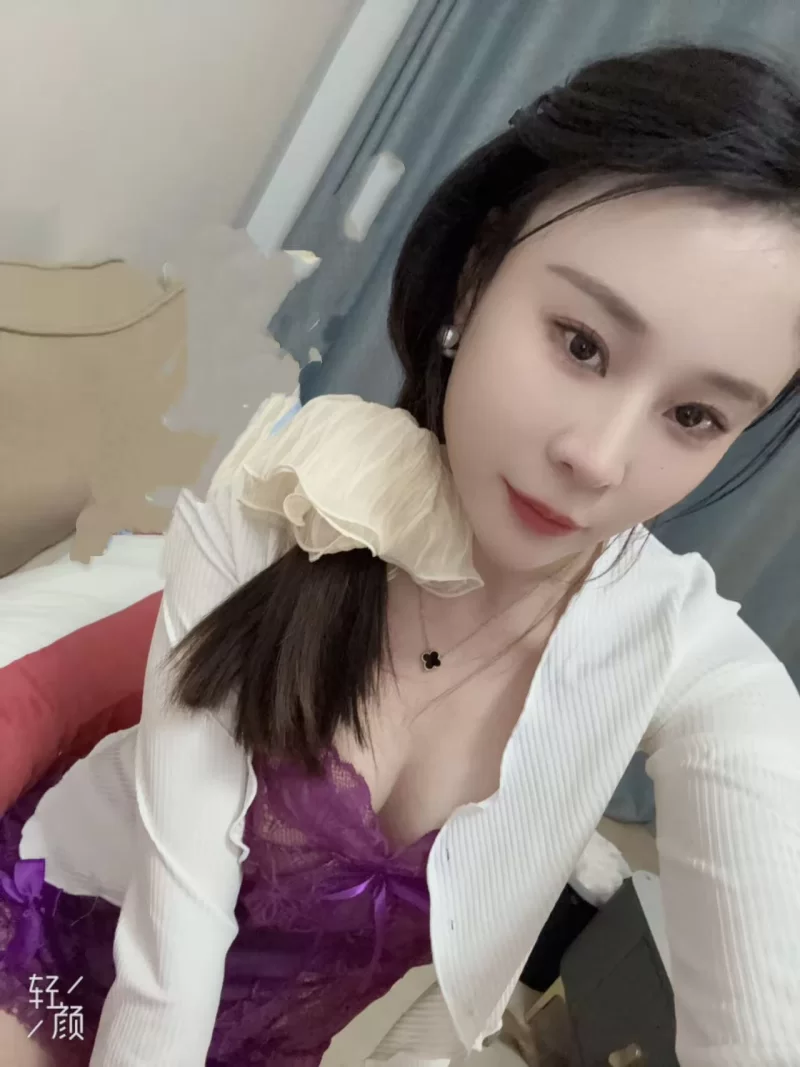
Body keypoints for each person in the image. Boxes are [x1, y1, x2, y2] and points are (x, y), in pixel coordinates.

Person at [1, 42, 799, 1067]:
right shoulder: (283, 499)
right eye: (580, 343)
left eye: (693, 415)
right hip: (53, 953)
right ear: (475, 278)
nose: (595, 459)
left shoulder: (686, 660)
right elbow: (169, 944)